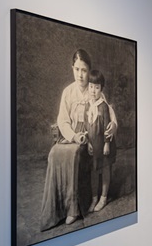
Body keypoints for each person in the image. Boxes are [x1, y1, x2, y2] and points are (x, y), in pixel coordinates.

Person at [40, 49, 117, 230]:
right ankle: (57, 207)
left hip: (91, 137)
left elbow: (109, 112)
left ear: (89, 71)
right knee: (54, 154)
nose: (80, 75)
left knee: (73, 155)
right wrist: (73, 135)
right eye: (77, 69)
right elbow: (62, 120)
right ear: (72, 68)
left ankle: (73, 208)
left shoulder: (94, 90)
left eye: (84, 70)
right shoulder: (68, 92)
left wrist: (113, 125)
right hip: (73, 135)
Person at [86, 70, 117, 213]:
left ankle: (103, 197)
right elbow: (86, 125)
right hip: (93, 145)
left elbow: (106, 126)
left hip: (104, 145)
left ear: (101, 89)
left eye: (97, 87)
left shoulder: (104, 106)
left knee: (105, 170)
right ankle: (94, 198)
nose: (93, 90)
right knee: (93, 171)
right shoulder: (87, 105)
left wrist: (107, 143)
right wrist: (88, 142)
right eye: (91, 86)